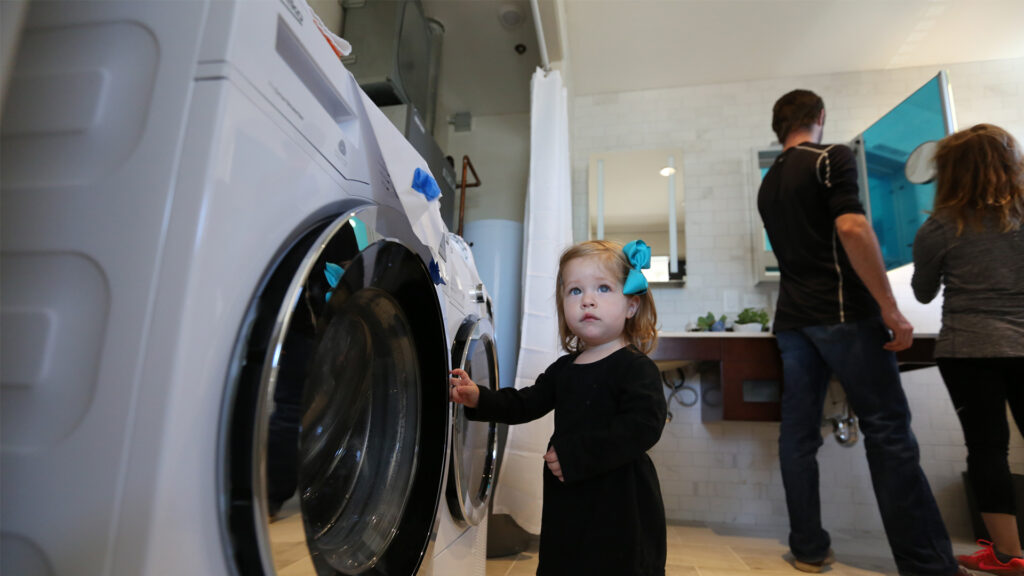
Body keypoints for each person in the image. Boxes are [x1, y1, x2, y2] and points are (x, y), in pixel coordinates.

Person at [757, 89, 959, 575]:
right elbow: (851, 229)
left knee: (798, 437)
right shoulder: (831, 155)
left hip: (792, 322)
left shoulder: (769, 182)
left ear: (778, 126)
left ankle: (807, 549)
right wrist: (891, 307)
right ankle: (927, 564)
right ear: (819, 117)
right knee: (888, 431)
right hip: (844, 314)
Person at [449, 239, 668, 576]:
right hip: (569, 499)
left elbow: (643, 427)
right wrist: (480, 397)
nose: (588, 300)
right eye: (575, 291)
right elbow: (525, 403)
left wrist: (578, 454)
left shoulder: (636, 368)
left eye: (603, 288)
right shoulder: (565, 369)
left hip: (621, 502)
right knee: (564, 561)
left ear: (631, 306)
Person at [912, 123, 1024, 574]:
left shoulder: (941, 225)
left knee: (986, 448)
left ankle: (1008, 555)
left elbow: (922, 292)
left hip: (967, 348)